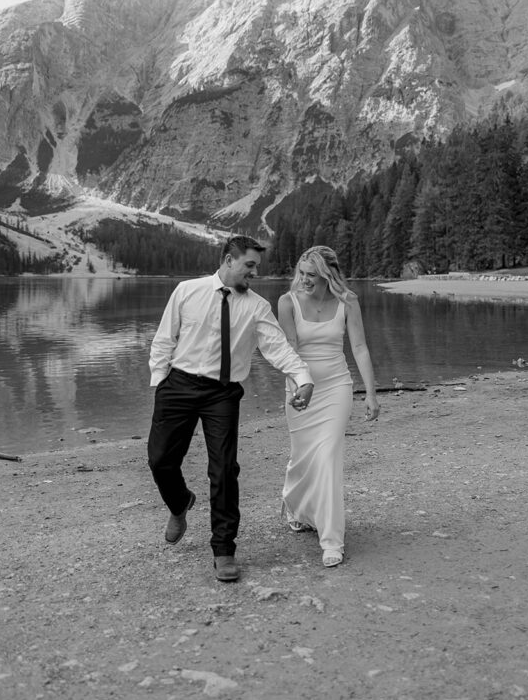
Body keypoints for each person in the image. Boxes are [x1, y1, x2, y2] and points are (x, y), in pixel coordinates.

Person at [147, 235, 314, 583]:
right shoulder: (187, 291)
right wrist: (159, 382)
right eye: (249, 265)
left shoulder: (256, 306)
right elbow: (165, 338)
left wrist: (302, 377)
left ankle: (224, 549)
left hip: (222, 393)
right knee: (160, 459)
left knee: (224, 470)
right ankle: (179, 504)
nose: (254, 272)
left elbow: (277, 348)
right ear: (228, 260)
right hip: (178, 385)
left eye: (256, 266)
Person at [277, 246, 380, 568]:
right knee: (303, 459)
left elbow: (360, 347)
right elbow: (290, 351)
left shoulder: (347, 302)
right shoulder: (287, 302)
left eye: (312, 274)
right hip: (300, 389)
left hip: (337, 387)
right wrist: (299, 386)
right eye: (302, 272)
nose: (304, 280)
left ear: (328, 275)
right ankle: (297, 507)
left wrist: (371, 393)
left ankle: (332, 540)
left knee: (328, 458)